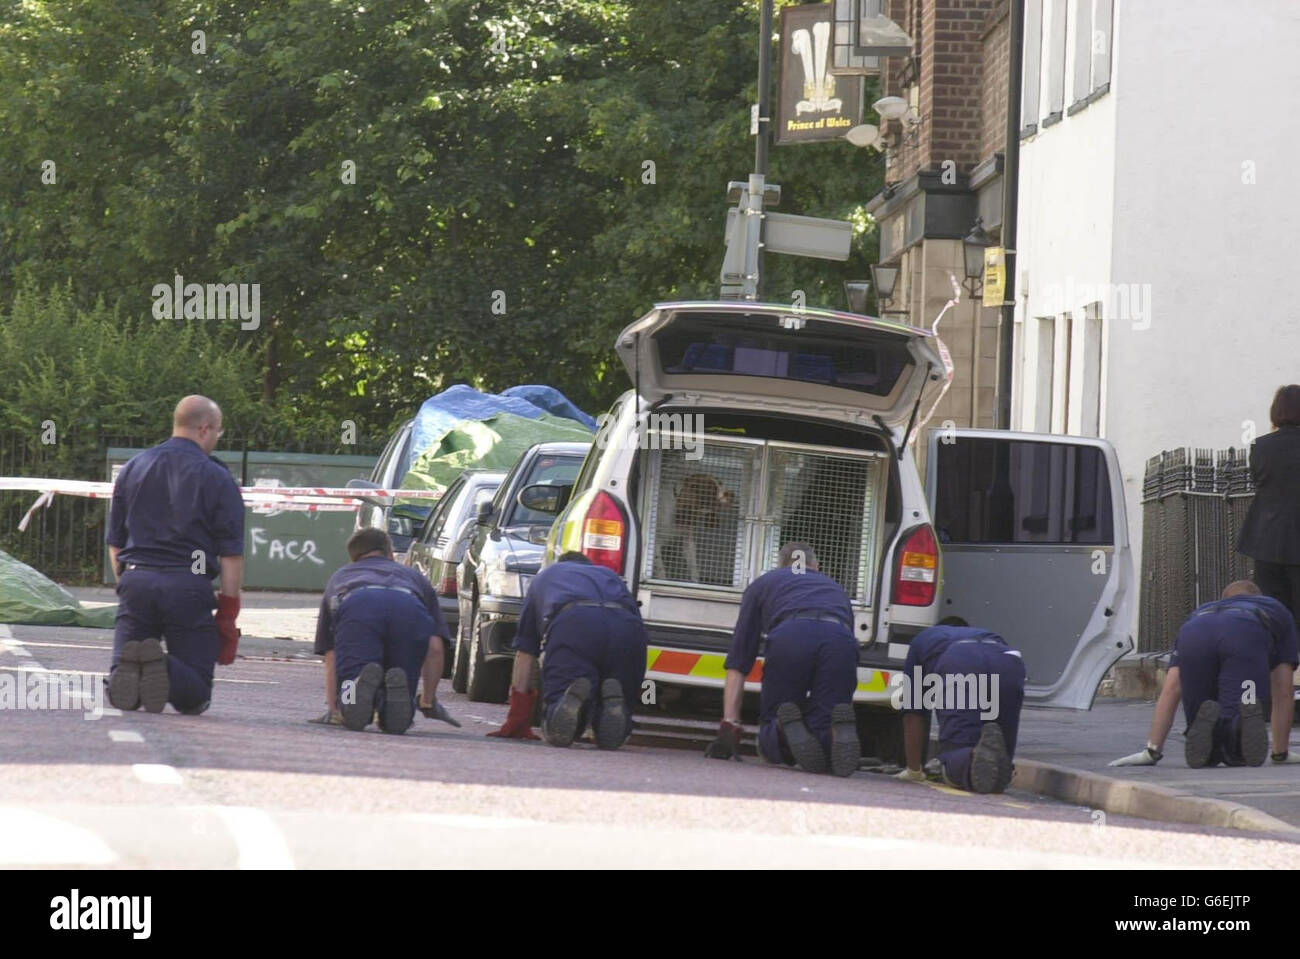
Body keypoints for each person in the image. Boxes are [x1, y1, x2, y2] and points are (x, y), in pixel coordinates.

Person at [107, 396, 245, 715]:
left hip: (137, 578)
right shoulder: (217, 477)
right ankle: (163, 664)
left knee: (125, 680)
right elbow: (231, 555)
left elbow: (115, 541)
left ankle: (126, 672)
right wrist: (227, 613)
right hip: (188, 583)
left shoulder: (134, 467)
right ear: (205, 428)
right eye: (218, 433)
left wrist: (125, 583)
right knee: (196, 696)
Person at [705, 542, 860, 776]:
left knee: (779, 712)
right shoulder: (835, 587)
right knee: (829, 710)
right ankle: (833, 733)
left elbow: (739, 659)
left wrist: (730, 722)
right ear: (816, 566)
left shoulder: (764, 583)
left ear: (781, 565)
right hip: (840, 639)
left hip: (791, 635)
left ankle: (778, 730)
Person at [1111, 581, 1299, 769]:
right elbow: (1283, 690)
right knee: (1243, 705)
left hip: (1195, 633)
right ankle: (1236, 732)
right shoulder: (1274, 608)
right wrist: (1280, 753)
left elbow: (1172, 688)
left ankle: (1196, 740)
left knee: (1202, 711)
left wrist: (1151, 751)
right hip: (1245, 632)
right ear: (1258, 597)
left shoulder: (1202, 611)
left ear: (1224, 599)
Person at [488, 552, 647, 749]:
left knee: (564, 699)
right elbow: (639, 632)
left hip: (575, 624)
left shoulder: (545, 577)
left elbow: (525, 652)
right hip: (626, 627)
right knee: (618, 689)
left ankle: (562, 711)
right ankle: (615, 712)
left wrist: (518, 717)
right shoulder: (610, 575)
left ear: (560, 563)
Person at [313, 527, 459, 734]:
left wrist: (333, 709)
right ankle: (398, 712)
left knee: (350, 674)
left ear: (353, 557)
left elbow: (332, 653)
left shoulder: (341, 577)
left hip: (358, 603)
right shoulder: (414, 576)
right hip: (408, 605)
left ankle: (348, 702)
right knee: (400, 676)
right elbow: (435, 647)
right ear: (390, 552)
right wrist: (428, 699)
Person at [893, 617, 1026, 793]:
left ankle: (968, 762)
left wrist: (914, 770)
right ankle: (1003, 769)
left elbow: (913, 712)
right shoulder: (987, 634)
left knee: (957, 749)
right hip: (1007, 659)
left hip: (961, 660)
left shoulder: (924, 639)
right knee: (1000, 741)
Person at [1236, 384, 1300, 626]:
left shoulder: (1261, 447)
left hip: (1268, 541)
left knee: (1274, 614)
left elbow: (1260, 481)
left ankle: (1282, 662)